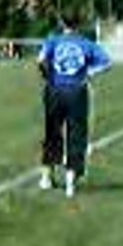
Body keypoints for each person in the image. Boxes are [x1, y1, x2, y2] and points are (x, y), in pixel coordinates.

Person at [37, 13, 112, 198]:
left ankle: (46, 177)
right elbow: (107, 62)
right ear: (78, 25)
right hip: (77, 91)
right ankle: (71, 178)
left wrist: (47, 76)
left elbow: (40, 60)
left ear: (63, 23)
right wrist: (90, 72)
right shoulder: (87, 44)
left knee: (52, 132)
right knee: (77, 133)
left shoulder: (53, 40)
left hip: (54, 91)